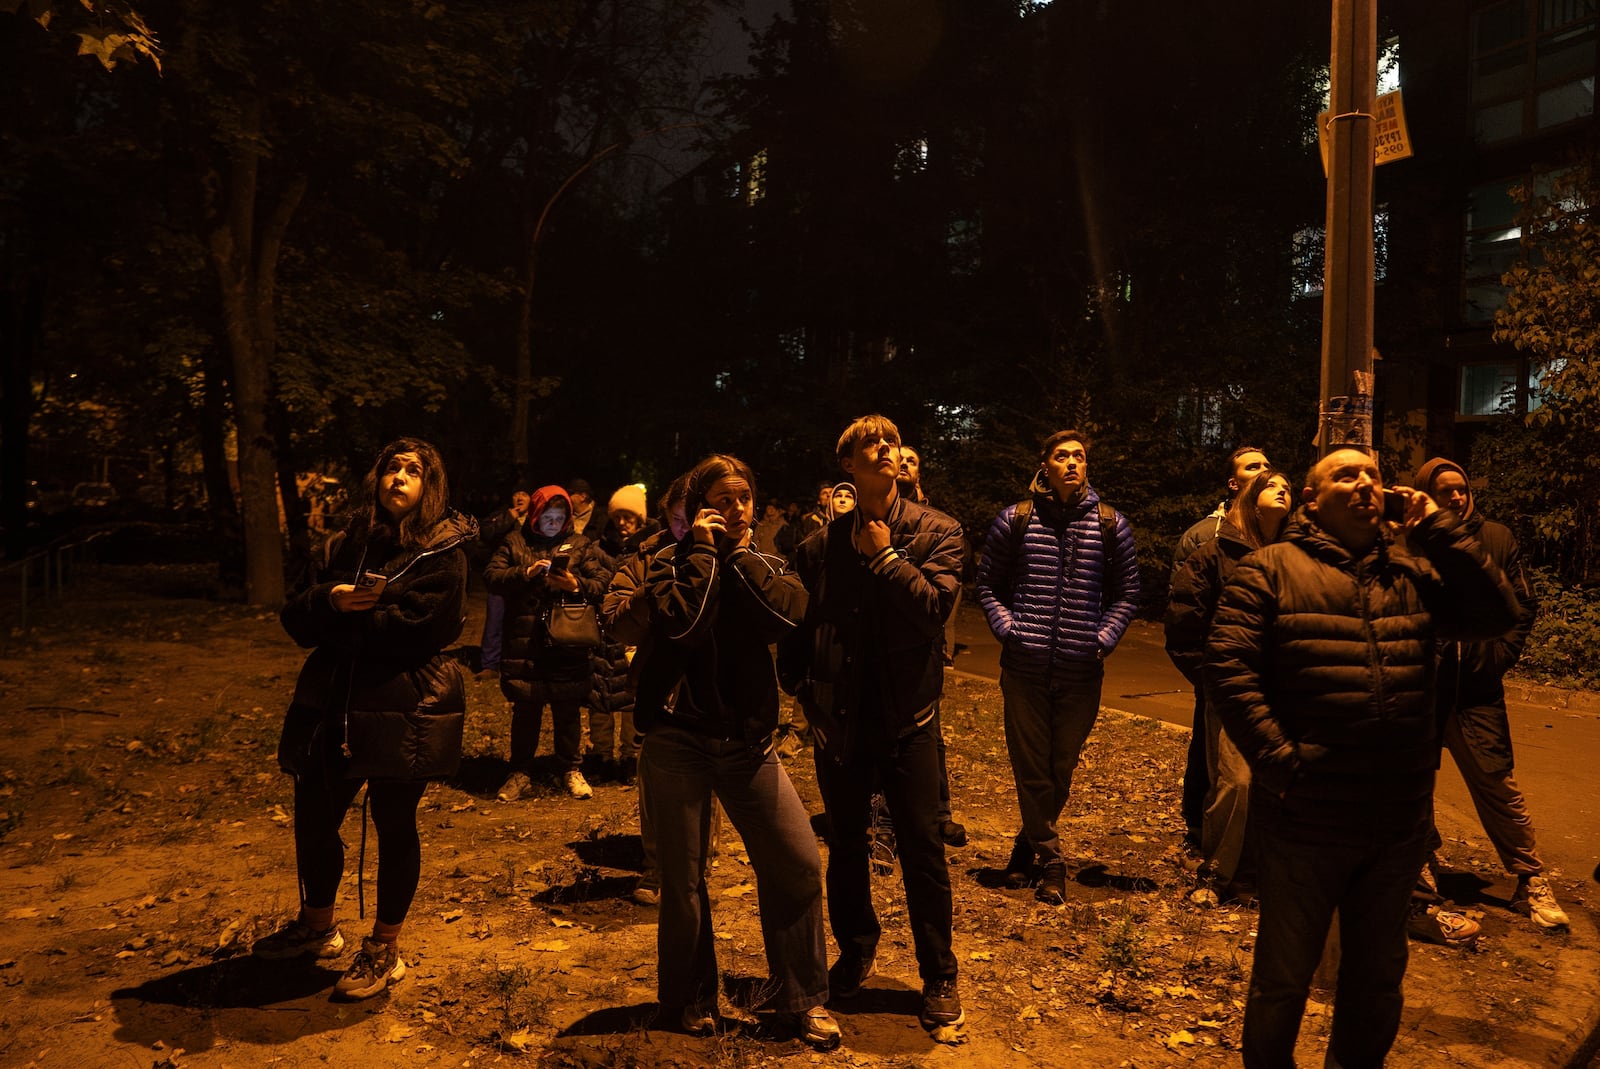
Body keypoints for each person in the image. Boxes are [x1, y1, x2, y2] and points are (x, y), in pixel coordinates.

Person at [1205, 448, 1519, 1068]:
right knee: (1284, 979)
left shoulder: (1412, 571)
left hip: (1396, 819)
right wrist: (1280, 762)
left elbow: (1496, 614)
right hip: (1305, 817)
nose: (1365, 483)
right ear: (1312, 500)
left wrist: (1437, 526)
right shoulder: (1270, 569)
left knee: (1376, 982)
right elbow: (1229, 669)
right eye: (1344, 474)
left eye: (1373, 474)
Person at [632, 454, 838, 1049]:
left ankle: (799, 1000)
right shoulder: (665, 563)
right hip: (676, 740)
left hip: (748, 744)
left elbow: (788, 617)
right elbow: (682, 626)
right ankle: (690, 998)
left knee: (797, 862)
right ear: (698, 506)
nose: (736, 507)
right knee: (684, 879)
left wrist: (737, 556)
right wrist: (700, 553)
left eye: (744, 496)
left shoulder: (769, 563)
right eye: (721, 497)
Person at [258, 438, 476, 1000]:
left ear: (431, 485)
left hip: (406, 704)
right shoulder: (349, 538)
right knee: (313, 813)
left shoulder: (444, 548)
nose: (399, 478)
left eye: (413, 470)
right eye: (391, 468)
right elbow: (297, 612)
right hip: (335, 701)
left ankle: (384, 946)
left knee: (394, 823)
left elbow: (425, 628)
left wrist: (355, 621)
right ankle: (316, 924)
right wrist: (331, 600)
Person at [781, 414, 967, 1035]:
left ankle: (939, 973)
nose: (885, 450)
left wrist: (887, 557)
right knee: (848, 846)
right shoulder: (817, 547)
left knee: (922, 848)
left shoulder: (938, 531)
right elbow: (801, 633)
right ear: (848, 465)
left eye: (891, 442)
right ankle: (856, 948)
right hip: (841, 724)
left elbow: (934, 612)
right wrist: (808, 696)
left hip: (909, 719)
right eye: (870, 445)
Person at [974, 429, 1141, 904]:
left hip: (1080, 671)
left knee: (1060, 766)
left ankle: (1025, 846)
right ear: (1044, 464)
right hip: (1024, 668)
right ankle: (1051, 860)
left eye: (1080, 457)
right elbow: (987, 584)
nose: (1072, 463)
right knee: (1032, 769)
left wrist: (1102, 638)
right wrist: (1010, 628)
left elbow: (1128, 593)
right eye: (1062, 456)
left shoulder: (1112, 525)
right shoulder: (1016, 520)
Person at [1411, 457, 1568, 930]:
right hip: (1422, 687)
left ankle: (1530, 878)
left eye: (1460, 489)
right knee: (1413, 783)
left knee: (1498, 784)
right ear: (1427, 495)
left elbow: (1521, 606)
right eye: (1444, 491)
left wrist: (1497, 657)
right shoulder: (1411, 540)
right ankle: (1421, 864)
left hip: (1478, 689)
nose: (1456, 497)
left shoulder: (1496, 538)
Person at [1163, 469, 1292, 896]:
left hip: (1289, 691)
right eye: (1273, 486)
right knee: (1235, 782)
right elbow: (1184, 625)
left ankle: (1260, 872)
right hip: (1236, 689)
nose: (1282, 491)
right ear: (1252, 500)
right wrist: (1213, 679)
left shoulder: (1301, 556)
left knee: (1281, 783)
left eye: (1287, 487)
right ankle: (1217, 870)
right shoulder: (1215, 555)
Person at [1171, 444, 1270, 848]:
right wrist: (1206, 671)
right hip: (1220, 668)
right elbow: (1184, 611)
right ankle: (1201, 826)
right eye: (1253, 466)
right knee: (1209, 749)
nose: (1263, 471)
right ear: (1233, 482)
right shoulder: (1203, 537)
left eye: (1267, 465)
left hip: (1263, 675)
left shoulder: (1280, 535)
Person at [487, 486, 612, 801]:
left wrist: (575, 584)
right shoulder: (515, 542)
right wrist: (525, 572)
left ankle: (570, 769)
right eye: (547, 517)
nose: (554, 523)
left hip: (566, 641)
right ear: (535, 516)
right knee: (526, 709)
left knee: (567, 708)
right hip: (524, 642)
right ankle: (519, 771)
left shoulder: (581, 546)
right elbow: (492, 576)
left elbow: (602, 584)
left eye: (560, 517)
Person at [603, 475, 692, 906]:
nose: (687, 527)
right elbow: (615, 617)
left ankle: (696, 863)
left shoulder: (737, 550)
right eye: (679, 519)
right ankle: (657, 867)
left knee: (705, 781)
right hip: (660, 685)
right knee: (656, 779)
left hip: (713, 686)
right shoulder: (646, 555)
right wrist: (649, 593)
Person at [588, 483, 659, 780]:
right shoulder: (600, 547)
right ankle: (602, 754)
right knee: (600, 695)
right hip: (603, 634)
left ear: (640, 518)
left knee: (631, 695)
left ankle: (630, 755)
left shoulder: (650, 548)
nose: (623, 523)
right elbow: (593, 580)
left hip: (633, 631)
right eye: (619, 517)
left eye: (629, 517)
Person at [474, 488, 530, 679]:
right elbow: (486, 532)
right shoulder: (503, 515)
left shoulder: (537, 519)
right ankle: (490, 663)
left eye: (524, 494)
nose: (519, 497)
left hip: (525, 575)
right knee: (495, 618)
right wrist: (510, 516)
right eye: (516, 493)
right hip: (501, 574)